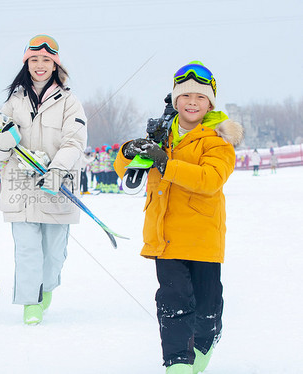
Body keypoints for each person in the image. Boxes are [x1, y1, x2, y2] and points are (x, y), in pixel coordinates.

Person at [115, 61, 243, 374]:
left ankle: (206, 339)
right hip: (165, 234)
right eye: (185, 97)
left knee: (206, 304)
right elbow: (125, 172)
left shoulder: (217, 139)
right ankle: (177, 362)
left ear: (210, 103)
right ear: (176, 101)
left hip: (202, 236)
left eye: (200, 98)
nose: (192, 103)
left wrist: (165, 163)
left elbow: (209, 179)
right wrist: (129, 151)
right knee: (172, 300)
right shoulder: (161, 134)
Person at [0, 34, 87, 325]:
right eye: (34, 60)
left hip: (57, 185)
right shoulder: (13, 102)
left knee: (54, 253)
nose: (40, 65)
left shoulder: (70, 102)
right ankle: (30, 301)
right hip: (21, 187)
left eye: (46, 60)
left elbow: (74, 142)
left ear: (55, 64)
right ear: (27, 63)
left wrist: (57, 171)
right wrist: (3, 142)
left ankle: (46, 287)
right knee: (28, 249)